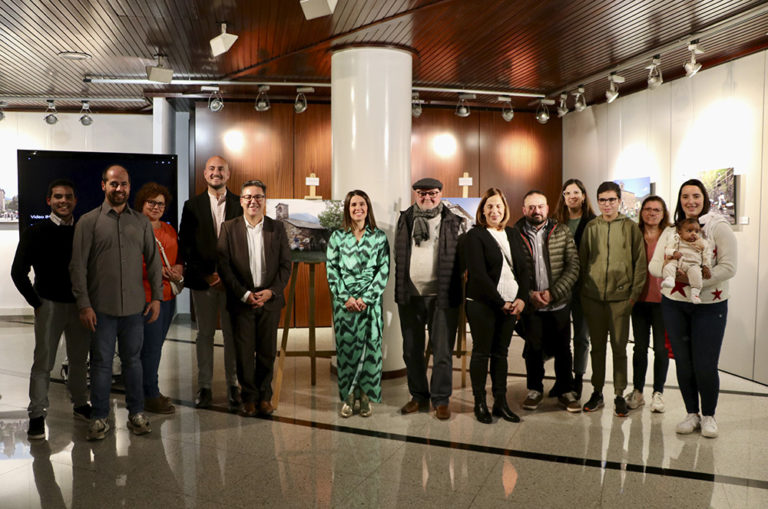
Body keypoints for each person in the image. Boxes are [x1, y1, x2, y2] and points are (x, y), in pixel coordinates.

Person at [70, 165, 162, 440]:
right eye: (114, 184)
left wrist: (157, 297)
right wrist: (84, 304)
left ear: (129, 187)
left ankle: (137, 413)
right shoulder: (88, 222)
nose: (119, 189)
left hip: (135, 309)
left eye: (123, 184)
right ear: (104, 186)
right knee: (101, 364)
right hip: (101, 309)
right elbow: (77, 266)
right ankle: (99, 417)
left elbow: (153, 262)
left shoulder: (141, 222)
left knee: (133, 362)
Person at [649, 179, 736, 438]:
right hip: (675, 305)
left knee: (705, 364)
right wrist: (674, 273)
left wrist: (693, 279)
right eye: (685, 196)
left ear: (704, 198)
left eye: (696, 196)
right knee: (684, 364)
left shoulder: (719, 228)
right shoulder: (670, 231)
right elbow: (654, 266)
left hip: (710, 306)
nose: (691, 201)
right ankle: (691, 413)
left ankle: (708, 415)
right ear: (680, 200)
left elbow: (729, 267)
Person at [11, 179, 91, 440]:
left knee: (78, 360)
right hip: (49, 306)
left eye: (68, 196)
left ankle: (80, 403)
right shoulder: (35, 232)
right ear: (49, 201)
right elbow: (18, 272)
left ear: (75, 200)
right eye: (58, 196)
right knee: (43, 362)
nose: (63, 201)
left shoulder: (82, 232)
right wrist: (36, 302)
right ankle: (36, 414)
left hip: (79, 306)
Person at [216, 180, 291, 417]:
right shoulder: (229, 228)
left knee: (267, 352)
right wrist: (244, 294)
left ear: (264, 201)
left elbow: (285, 265)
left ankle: (264, 397)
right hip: (242, 301)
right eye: (248, 197)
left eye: (258, 197)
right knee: (244, 352)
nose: (253, 201)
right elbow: (224, 266)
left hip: (269, 299)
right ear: (241, 201)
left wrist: (272, 291)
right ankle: (248, 397)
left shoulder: (277, 228)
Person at [394, 177, 462, 420]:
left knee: (442, 351)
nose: (427, 198)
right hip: (410, 295)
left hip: (442, 295)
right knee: (411, 350)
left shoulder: (453, 220)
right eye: (422, 193)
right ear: (416, 195)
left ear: (440, 194)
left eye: (432, 193)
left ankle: (441, 400)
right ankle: (418, 396)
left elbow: (461, 256)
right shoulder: (405, 218)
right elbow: (398, 253)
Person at [179, 155, 242, 411]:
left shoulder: (240, 203)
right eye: (212, 169)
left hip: (232, 284)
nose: (216, 173)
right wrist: (206, 274)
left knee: (232, 335)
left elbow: (246, 244)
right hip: (203, 281)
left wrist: (228, 277)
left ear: (228, 174)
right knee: (204, 335)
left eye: (221, 169)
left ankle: (233, 386)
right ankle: (204, 387)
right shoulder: (192, 205)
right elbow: (186, 245)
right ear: (205, 174)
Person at [579, 181, 646, 417]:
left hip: (621, 299)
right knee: (597, 348)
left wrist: (632, 296)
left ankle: (618, 394)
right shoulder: (591, 227)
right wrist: (585, 293)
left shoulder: (630, 228)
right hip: (593, 297)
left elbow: (640, 263)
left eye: (611, 200)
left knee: (619, 347)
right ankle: (597, 392)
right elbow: (582, 261)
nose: (607, 204)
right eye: (602, 200)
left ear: (619, 201)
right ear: (597, 202)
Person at [511, 190, 580, 413]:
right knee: (534, 348)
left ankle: (566, 391)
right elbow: (511, 270)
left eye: (540, 206)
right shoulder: (514, 234)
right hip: (531, 305)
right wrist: (529, 294)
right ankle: (534, 390)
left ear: (547, 208)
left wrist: (553, 293)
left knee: (563, 349)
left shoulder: (561, 231)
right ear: (524, 210)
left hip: (558, 303)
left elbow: (573, 266)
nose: (536, 211)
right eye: (531, 207)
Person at [464, 188, 528, 424]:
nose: (494, 211)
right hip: (483, 304)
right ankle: (480, 402)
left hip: (511, 305)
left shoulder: (512, 233)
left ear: (504, 209)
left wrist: (522, 298)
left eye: (498, 206)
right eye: (489, 206)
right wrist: (501, 302)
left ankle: (501, 402)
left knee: (501, 353)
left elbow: (524, 269)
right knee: (481, 353)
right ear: (482, 210)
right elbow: (478, 275)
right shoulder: (475, 235)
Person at [326, 190, 390, 417]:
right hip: (344, 305)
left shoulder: (379, 237)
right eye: (353, 205)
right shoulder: (337, 237)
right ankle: (348, 397)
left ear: (367, 207)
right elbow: (332, 269)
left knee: (370, 351)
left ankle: (365, 397)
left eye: (361, 204)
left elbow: (383, 270)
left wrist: (366, 298)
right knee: (346, 353)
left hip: (369, 304)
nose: (357, 208)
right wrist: (346, 297)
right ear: (347, 209)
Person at [135, 183, 183, 414]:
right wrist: (158, 271)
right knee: (150, 349)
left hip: (168, 295)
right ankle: (150, 395)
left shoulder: (169, 230)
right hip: (147, 296)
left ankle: (150, 390)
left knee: (156, 346)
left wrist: (178, 269)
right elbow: (131, 262)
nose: (156, 207)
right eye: (151, 202)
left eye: (160, 204)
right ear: (142, 204)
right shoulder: (134, 229)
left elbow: (178, 256)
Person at [626, 196, 671, 413]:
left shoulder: (669, 236)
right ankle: (638, 391)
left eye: (656, 210)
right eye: (647, 209)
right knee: (640, 348)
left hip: (663, 302)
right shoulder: (634, 234)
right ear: (641, 211)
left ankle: (658, 393)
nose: (651, 213)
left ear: (663, 214)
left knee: (661, 349)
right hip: (639, 301)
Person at [554, 178, 596, 398]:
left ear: (583, 195)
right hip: (560, 286)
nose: (572, 196)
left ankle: (578, 377)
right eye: (568, 193)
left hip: (583, 287)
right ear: (563, 197)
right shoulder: (555, 221)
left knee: (581, 335)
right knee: (560, 336)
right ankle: (562, 379)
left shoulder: (593, 222)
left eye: (576, 192)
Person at [661, 218, 712, 304]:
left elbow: (706, 256)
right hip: (678, 262)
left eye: (696, 231)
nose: (693, 234)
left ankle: (695, 293)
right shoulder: (676, 240)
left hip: (692, 264)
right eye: (689, 231)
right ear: (680, 232)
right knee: (669, 266)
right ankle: (669, 279)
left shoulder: (702, 243)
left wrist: (705, 266)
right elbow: (667, 250)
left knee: (696, 274)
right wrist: (673, 252)